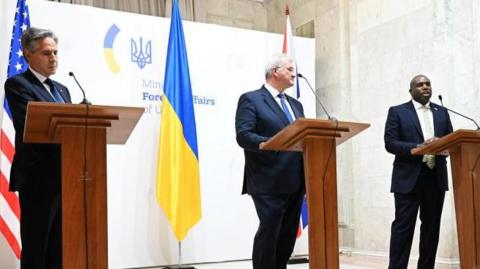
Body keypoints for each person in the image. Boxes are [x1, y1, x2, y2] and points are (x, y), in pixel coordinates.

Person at [4, 27, 72, 269]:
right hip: (38, 179)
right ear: (28, 54)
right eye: (46, 53)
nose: (53, 58)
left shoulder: (62, 89)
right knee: (37, 247)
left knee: (59, 249)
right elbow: (28, 125)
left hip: (66, 178)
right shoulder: (17, 84)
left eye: (55, 53)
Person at [235, 53, 305, 269]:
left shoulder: (295, 104)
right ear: (275, 71)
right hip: (267, 179)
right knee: (270, 229)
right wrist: (273, 142)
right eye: (289, 70)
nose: (295, 74)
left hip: (296, 180)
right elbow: (244, 135)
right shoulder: (251, 99)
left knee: (287, 234)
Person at [384, 74, 453, 269]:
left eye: (428, 84)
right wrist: (419, 147)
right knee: (403, 228)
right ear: (411, 90)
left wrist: (444, 148)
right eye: (419, 84)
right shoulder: (398, 111)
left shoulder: (442, 111)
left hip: (435, 176)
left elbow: (451, 141)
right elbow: (390, 143)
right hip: (408, 178)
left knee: (431, 229)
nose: (425, 87)